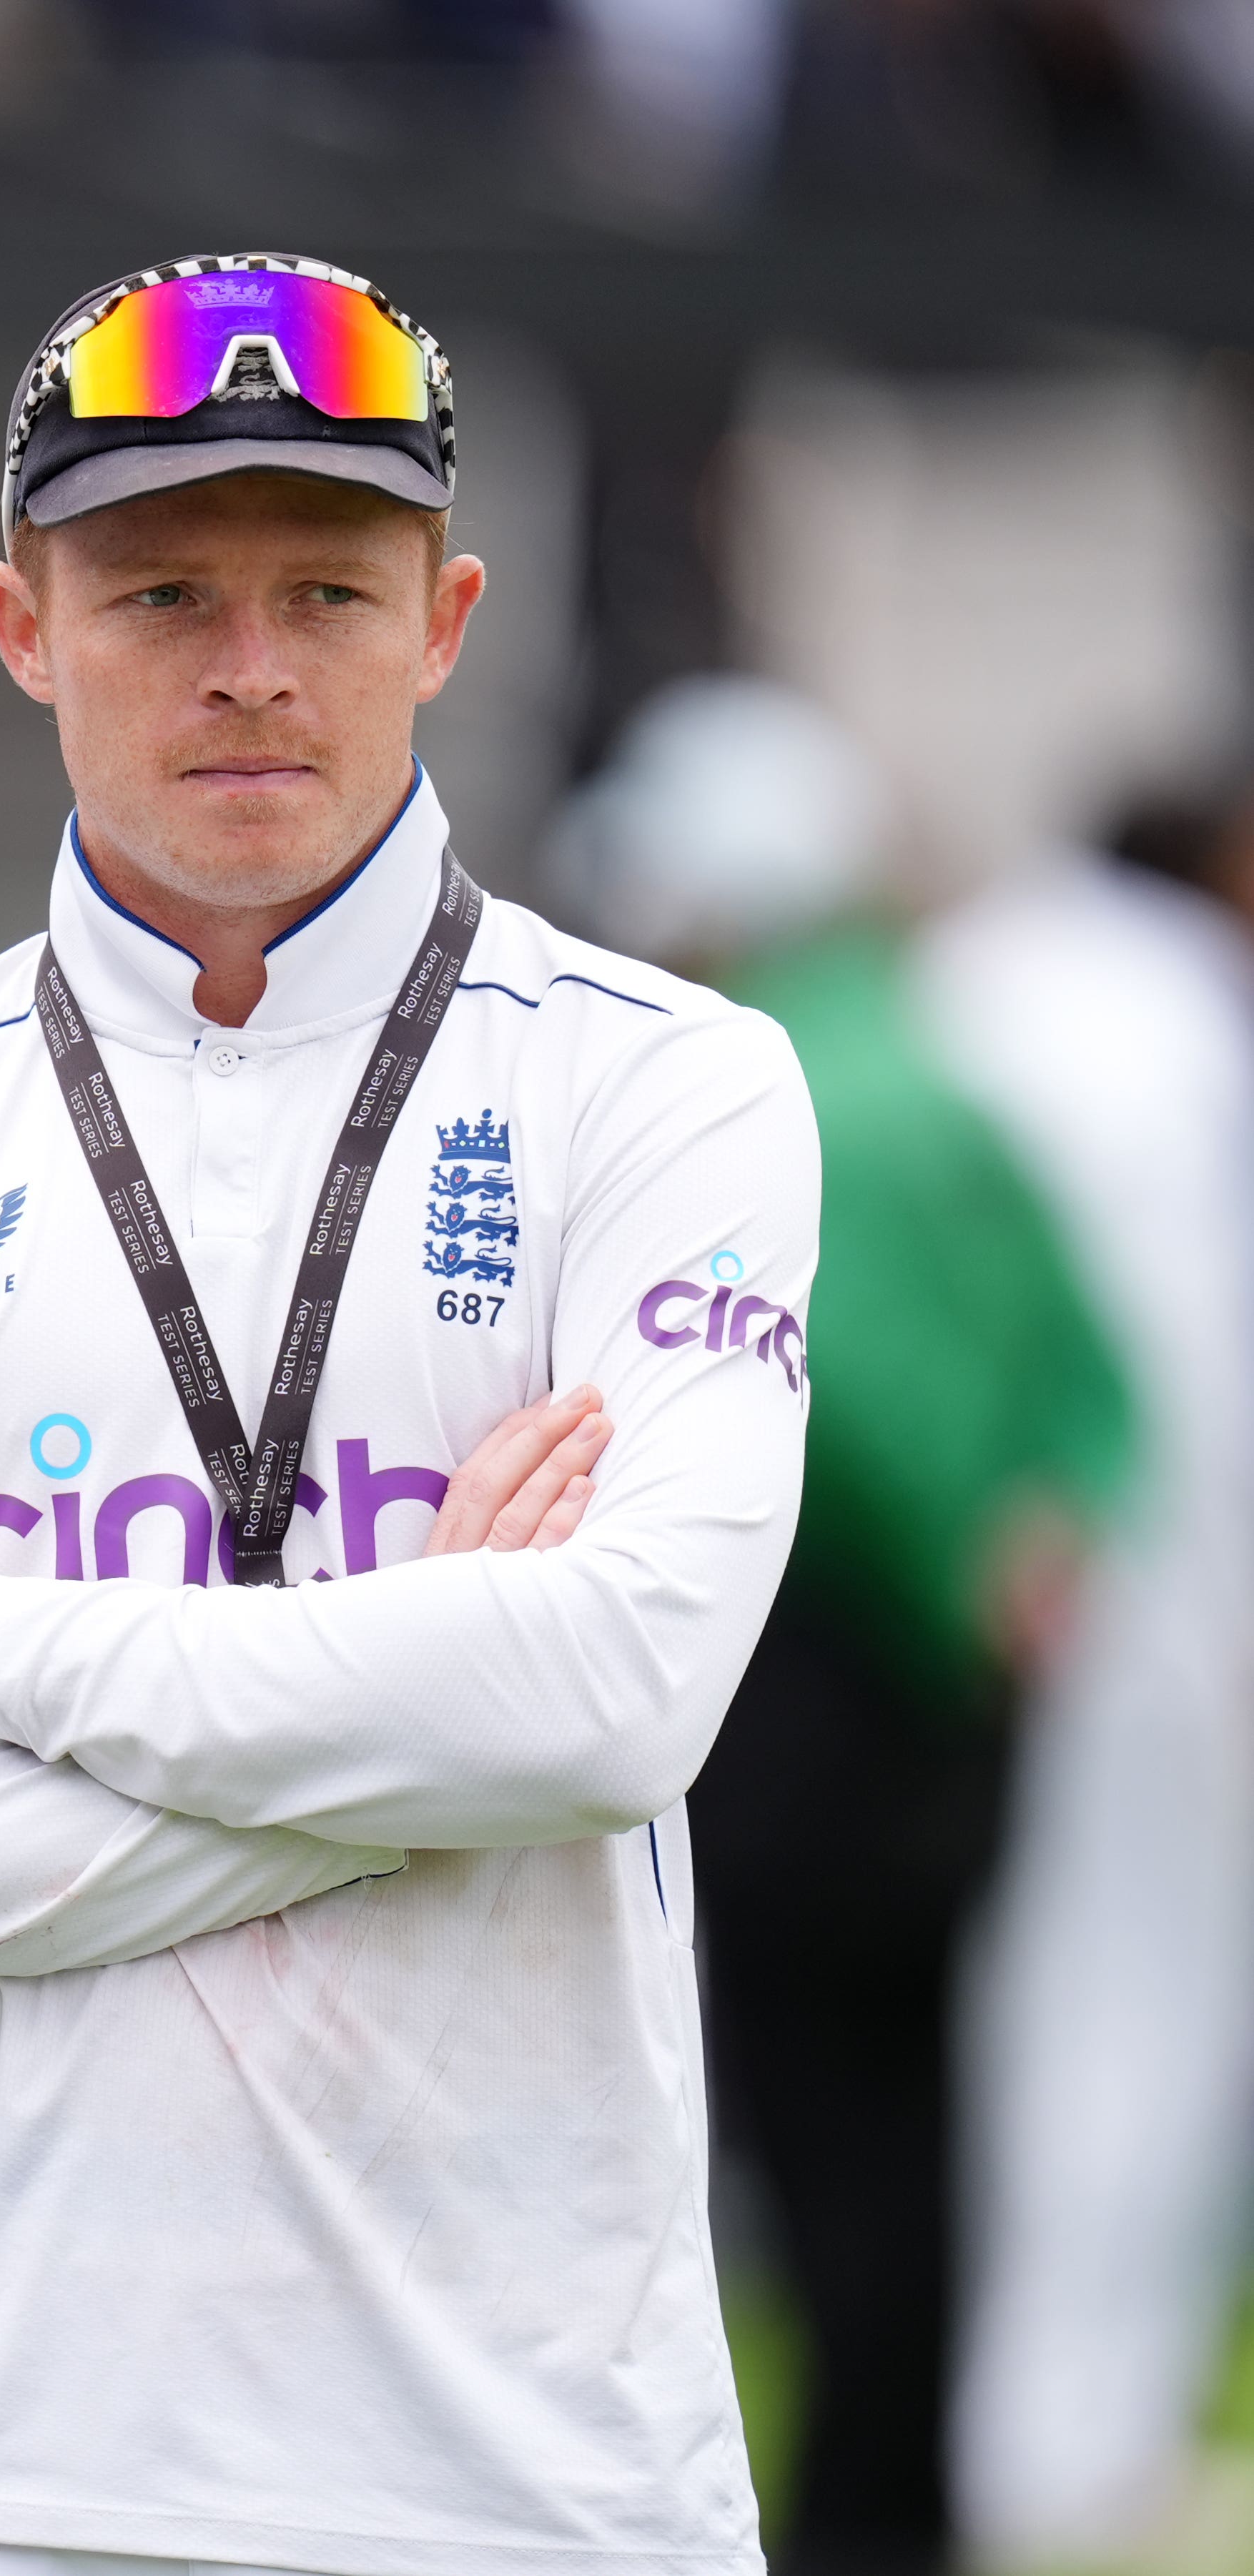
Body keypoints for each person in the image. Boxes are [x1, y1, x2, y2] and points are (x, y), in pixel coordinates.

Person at [0, 254, 818, 2575]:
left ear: (448, 616)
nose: (249, 661)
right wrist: (409, 1734)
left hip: (524, 2478)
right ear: (16, 623)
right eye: (159, 586)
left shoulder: (664, 1084)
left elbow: (611, 1700)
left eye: (325, 589)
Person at [570, 676, 1136, 2576]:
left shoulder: (763, 1080)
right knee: (917, 2114)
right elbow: (1090, 1368)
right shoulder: (945, 1060)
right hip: (964, 1693)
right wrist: (1033, 1543)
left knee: (806, 2137)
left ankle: (845, 2527)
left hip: (818, 1682)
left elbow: (837, 1398)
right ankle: (902, 2504)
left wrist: (947, 1555)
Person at [915, 789, 1240, 2573]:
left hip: (997, 1605)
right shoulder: (1167, 1020)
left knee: (1012, 2013)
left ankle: (1028, 2439)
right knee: (1123, 2014)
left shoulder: (977, 981)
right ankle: (1072, 2445)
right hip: (1132, 1599)